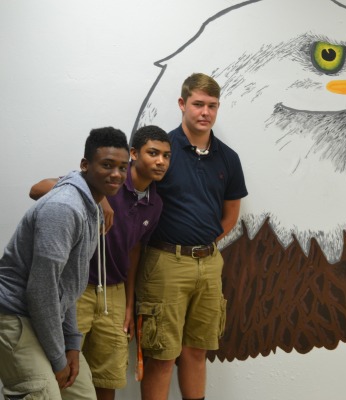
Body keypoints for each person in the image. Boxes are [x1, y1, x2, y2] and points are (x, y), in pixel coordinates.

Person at [29, 125, 172, 400]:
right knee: (63, 371)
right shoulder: (106, 181)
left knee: (109, 375)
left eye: (166, 155)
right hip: (79, 289)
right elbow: (37, 190)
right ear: (133, 154)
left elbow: (134, 251)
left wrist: (129, 304)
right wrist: (97, 198)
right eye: (153, 153)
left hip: (115, 295)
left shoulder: (155, 204)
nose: (160, 161)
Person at [136, 73, 247, 400]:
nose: (205, 112)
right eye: (198, 104)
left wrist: (209, 244)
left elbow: (231, 214)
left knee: (197, 351)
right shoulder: (161, 152)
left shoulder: (229, 158)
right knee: (162, 355)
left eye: (212, 106)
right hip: (166, 262)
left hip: (209, 264)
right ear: (183, 104)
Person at [0, 127, 130, 399]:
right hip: (15, 316)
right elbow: (42, 290)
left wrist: (72, 344)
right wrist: (59, 359)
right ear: (85, 165)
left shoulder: (90, 208)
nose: (116, 174)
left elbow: (68, 285)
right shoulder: (64, 208)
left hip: (45, 316)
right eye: (107, 165)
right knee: (43, 394)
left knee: (82, 394)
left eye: (122, 167)